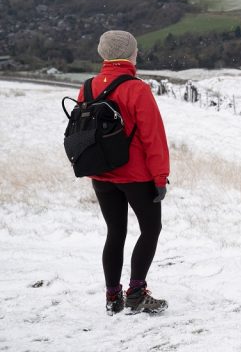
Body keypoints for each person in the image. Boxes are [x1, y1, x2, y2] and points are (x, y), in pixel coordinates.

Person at [78, 30, 170, 315]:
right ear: (131, 54)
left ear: (103, 53)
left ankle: (113, 297)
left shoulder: (88, 87)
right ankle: (136, 293)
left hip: (101, 173)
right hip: (136, 176)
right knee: (151, 229)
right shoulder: (137, 89)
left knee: (115, 232)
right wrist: (160, 177)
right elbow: (153, 137)